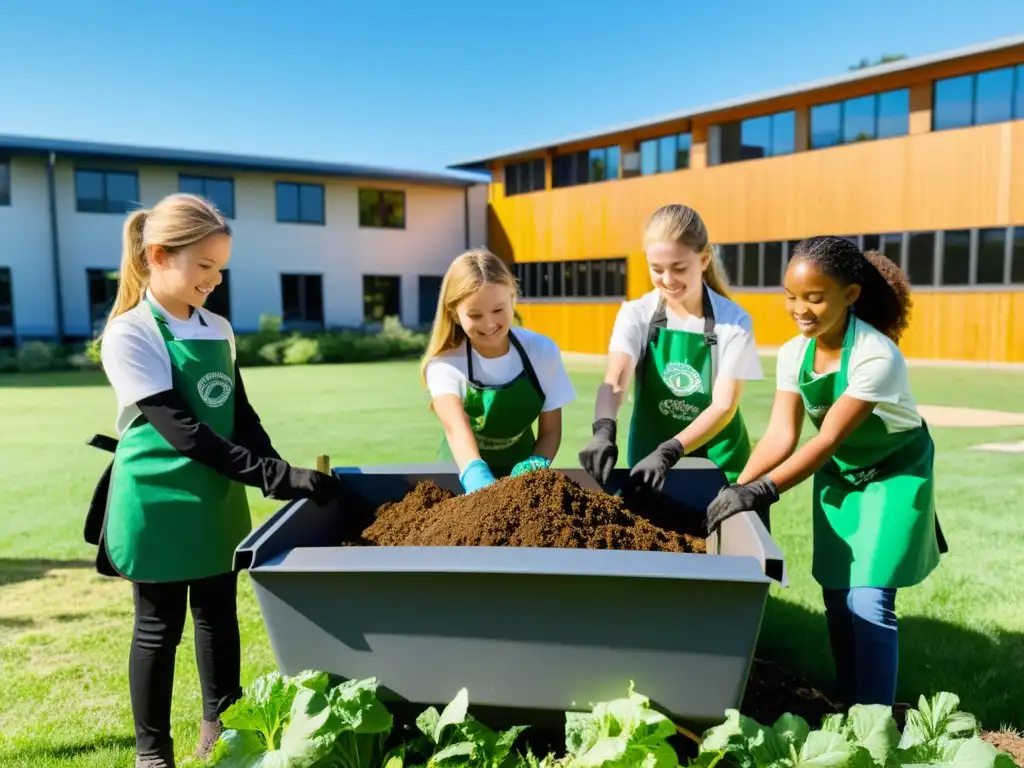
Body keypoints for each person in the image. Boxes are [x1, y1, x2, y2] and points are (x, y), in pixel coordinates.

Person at [94, 193, 342, 768]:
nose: (215, 279)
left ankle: (221, 731)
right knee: (158, 630)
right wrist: (273, 476)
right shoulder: (130, 334)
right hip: (157, 500)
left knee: (218, 616)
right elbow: (183, 432)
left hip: (217, 494)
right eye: (204, 266)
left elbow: (240, 416)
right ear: (158, 255)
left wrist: (287, 474)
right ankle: (152, 753)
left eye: (221, 268)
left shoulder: (218, 327)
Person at [705, 235, 943, 707]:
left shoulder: (876, 355)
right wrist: (738, 486)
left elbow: (828, 436)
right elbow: (780, 435)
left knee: (869, 600)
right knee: (837, 599)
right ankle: (851, 703)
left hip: (894, 473)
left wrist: (764, 492)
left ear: (849, 295)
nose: (800, 310)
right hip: (839, 474)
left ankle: (874, 721)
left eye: (814, 298)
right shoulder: (796, 353)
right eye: (791, 297)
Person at [578, 204, 763, 493]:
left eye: (679, 268)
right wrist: (604, 429)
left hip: (719, 469)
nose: (667, 280)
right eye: (657, 269)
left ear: (704, 259)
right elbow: (616, 377)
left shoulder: (734, 322)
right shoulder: (636, 314)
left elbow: (724, 406)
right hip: (648, 469)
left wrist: (670, 451)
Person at [421, 247, 576, 493]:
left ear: (513, 299)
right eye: (475, 315)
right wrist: (476, 477)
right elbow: (455, 426)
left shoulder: (542, 351)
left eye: (498, 310)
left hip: (523, 486)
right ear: (456, 315)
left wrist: (535, 466)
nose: (490, 324)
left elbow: (551, 431)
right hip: (458, 481)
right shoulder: (444, 364)